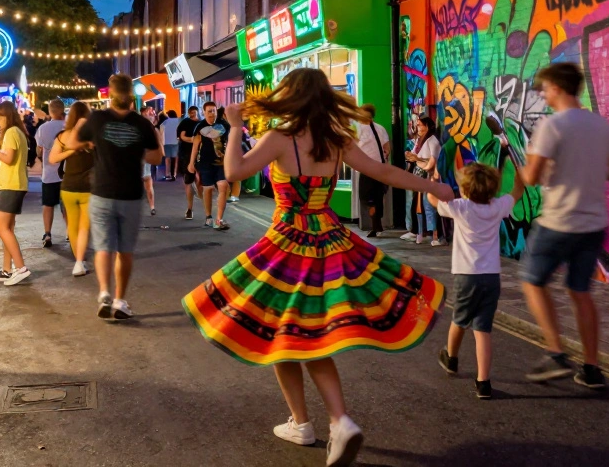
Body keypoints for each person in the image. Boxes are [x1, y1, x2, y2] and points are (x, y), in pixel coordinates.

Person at [182, 69, 452, 466]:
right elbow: (383, 171)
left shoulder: (280, 138)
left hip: (287, 242)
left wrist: (235, 127)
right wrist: (433, 185)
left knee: (290, 333)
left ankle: (330, 420)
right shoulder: (336, 140)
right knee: (295, 335)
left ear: (290, 98)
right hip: (330, 240)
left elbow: (235, 172)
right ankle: (308, 422)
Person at [516, 62, 609, 389]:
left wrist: (521, 171)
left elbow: (532, 177)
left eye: (545, 88)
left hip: (559, 220)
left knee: (532, 281)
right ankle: (591, 366)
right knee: (580, 292)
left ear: (558, 88)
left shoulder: (552, 126)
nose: (543, 95)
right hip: (594, 223)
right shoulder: (601, 126)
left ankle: (555, 353)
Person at [428, 162, 524, 399]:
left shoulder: (460, 207)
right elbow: (517, 192)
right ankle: (483, 383)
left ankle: (451, 358)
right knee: (483, 330)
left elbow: (432, 198)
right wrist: (520, 173)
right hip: (491, 277)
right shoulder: (497, 206)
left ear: (465, 189)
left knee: (459, 319)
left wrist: (433, 180)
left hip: (466, 276)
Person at [77, 74, 162, 320]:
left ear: (110, 95)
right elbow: (156, 158)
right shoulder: (142, 123)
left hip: (102, 192)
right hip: (131, 194)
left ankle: (104, 292)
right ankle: (119, 301)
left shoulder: (98, 119)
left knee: (104, 247)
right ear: (132, 96)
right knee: (125, 250)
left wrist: (91, 142)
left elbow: (73, 140)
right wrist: (137, 148)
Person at [0, 101, 32, 286]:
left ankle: (20, 268)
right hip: (14, 184)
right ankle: (7, 270)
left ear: (7, 115)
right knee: (8, 228)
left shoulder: (12, 132)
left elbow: (9, 158)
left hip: (11, 185)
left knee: (0, 227)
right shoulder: (17, 132)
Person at [50, 101, 95, 276]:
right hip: (89, 188)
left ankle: (79, 261)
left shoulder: (63, 136)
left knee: (73, 226)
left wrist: (69, 150)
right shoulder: (93, 137)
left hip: (68, 186)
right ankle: (79, 262)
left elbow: (53, 159)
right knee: (84, 227)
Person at [188, 102, 231, 230]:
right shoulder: (200, 127)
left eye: (214, 111)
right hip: (205, 162)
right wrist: (191, 163)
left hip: (221, 162)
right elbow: (195, 147)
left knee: (223, 185)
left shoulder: (224, 125)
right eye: (209, 111)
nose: (212, 113)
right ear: (204, 113)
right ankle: (208, 217)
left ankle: (219, 220)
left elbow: (229, 142)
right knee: (208, 189)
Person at [402, 116, 441, 245]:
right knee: (418, 205)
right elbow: (416, 156)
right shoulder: (419, 141)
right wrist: (411, 157)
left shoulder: (432, 141)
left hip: (428, 176)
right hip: (419, 174)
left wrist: (417, 159)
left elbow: (433, 161)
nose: (417, 128)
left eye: (420, 125)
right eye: (417, 125)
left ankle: (434, 235)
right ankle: (420, 232)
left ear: (427, 126)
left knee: (428, 205)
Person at [355, 104, 392, 238]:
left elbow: (386, 146)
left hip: (378, 168)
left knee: (376, 197)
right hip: (365, 168)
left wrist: (386, 153)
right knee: (366, 198)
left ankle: (376, 226)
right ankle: (376, 225)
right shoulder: (356, 128)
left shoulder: (379, 129)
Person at [35, 99, 67, 248]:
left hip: (48, 173)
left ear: (50, 111)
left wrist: (41, 156)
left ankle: (47, 233)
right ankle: (69, 232)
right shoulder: (68, 127)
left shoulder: (43, 128)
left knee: (47, 204)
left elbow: (39, 150)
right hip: (66, 172)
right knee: (66, 204)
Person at [177, 105, 200, 219]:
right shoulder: (185, 122)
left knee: (201, 180)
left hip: (200, 154)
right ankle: (190, 208)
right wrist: (192, 140)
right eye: (191, 112)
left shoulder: (202, 123)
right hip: (187, 154)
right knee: (188, 181)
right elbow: (182, 136)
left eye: (194, 112)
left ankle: (208, 214)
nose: (193, 114)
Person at [140, 105, 158, 216]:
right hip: (139, 156)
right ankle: (150, 207)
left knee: (148, 180)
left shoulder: (150, 125)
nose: (150, 113)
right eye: (148, 111)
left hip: (145, 156)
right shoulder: (139, 124)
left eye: (150, 111)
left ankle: (152, 206)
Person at [160, 110, 180, 179]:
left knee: (167, 159)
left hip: (167, 142)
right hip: (176, 142)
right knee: (175, 158)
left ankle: (167, 174)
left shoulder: (165, 122)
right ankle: (174, 174)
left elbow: (161, 130)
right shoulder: (178, 121)